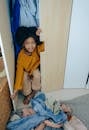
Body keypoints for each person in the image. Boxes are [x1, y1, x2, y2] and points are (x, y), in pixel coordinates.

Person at [11, 26, 44, 104]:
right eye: (27, 43)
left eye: (33, 43)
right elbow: (19, 72)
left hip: (34, 68)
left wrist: (40, 36)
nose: (31, 46)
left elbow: (43, 47)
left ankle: (35, 90)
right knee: (24, 77)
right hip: (26, 71)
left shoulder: (37, 49)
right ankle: (28, 94)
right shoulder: (21, 56)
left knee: (37, 75)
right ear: (23, 44)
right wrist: (15, 90)